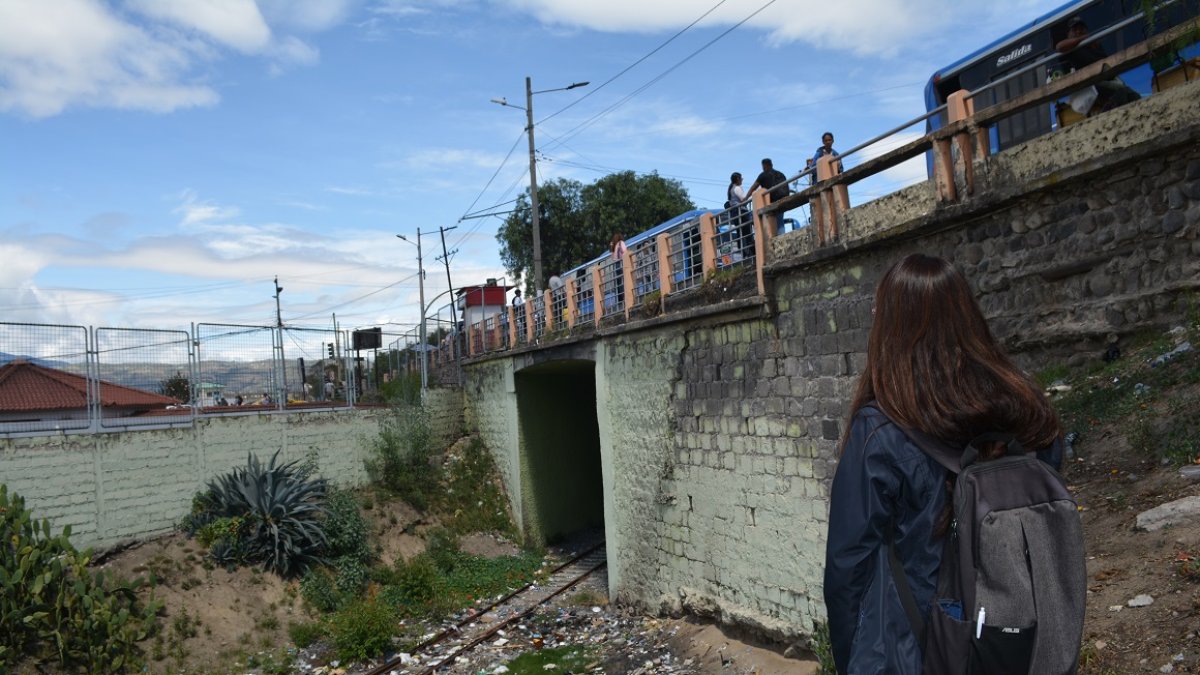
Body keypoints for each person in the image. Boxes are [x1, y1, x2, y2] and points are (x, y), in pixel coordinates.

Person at [823, 254, 1063, 674]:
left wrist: (849, 661)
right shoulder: (1027, 409)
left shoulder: (879, 430)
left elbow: (848, 570)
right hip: (1020, 639)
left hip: (916, 650)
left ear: (891, 327)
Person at [1055, 16, 1140, 114]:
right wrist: (1082, 39)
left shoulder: (1094, 45)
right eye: (1074, 30)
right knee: (1122, 92)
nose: (1078, 32)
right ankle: (1108, 111)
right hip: (1090, 86)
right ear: (1068, 34)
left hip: (1107, 80)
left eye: (1081, 29)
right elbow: (1059, 47)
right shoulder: (1071, 50)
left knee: (1132, 95)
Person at [747, 158, 790, 235]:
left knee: (776, 220)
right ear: (771, 165)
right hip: (784, 198)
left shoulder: (763, 175)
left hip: (773, 200)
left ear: (764, 166)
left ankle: (780, 237)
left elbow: (753, 188)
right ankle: (781, 235)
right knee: (779, 219)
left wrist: (745, 198)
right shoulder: (780, 174)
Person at [726, 172, 754, 259]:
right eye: (741, 178)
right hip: (742, 212)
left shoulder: (731, 189)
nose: (742, 179)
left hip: (736, 213)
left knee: (740, 233)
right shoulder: (737, 188)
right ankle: (749, 253)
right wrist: (752, 197)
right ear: (737, 179)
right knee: (747, 232)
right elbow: (743, 199)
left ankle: (744, 253)